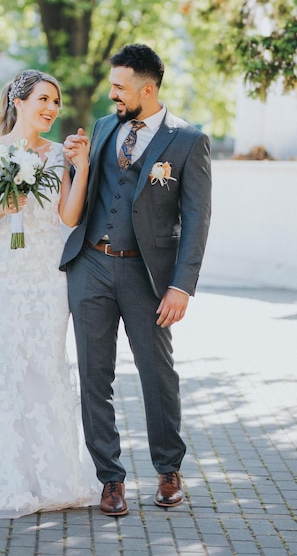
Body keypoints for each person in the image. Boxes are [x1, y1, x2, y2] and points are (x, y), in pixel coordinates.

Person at [61, 44, 212, 516]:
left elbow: (197, 218)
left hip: (149, 277)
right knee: (93, 376)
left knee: (158, 375)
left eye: (120, 87)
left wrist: (182, 286)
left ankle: (169, 469)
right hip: (91, 266)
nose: (112, 95)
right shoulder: (105, 128)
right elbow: (82, 195)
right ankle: (110, 479)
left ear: (148, 88)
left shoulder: (188, 140)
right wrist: (75, 162)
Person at [0, 69, 100, 518]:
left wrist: (80, 170)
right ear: (18, 101)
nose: (51, 109)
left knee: (47, 364)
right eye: (43, 99)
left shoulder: (60, 154)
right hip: (5, 274)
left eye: (56, 103)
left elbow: (69, 217)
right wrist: (7, 202)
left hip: (48, 274)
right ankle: (11, 476)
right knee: (10, 362)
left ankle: (57, 477)